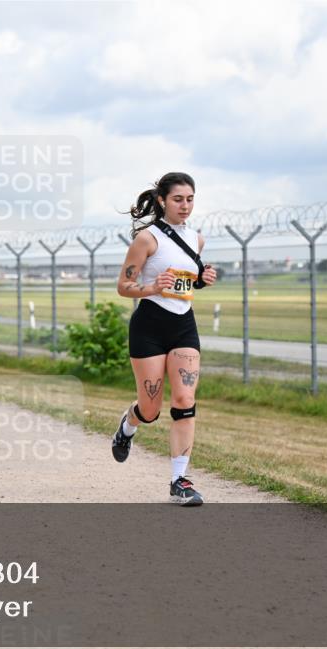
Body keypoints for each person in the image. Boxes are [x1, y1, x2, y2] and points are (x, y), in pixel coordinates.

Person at [111, 172, 217, 506]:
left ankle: (179, 480)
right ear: (161, 201)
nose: (185, 206)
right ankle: (128, 426)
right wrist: (153, 287)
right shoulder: (147, 238)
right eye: (177, 199)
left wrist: (203, 279)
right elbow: (124, 286)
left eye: (190, 199)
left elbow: (185, 281)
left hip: (184, 325)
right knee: (151, 408)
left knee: (185, 399)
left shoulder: (196, 239)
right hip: (149, 327)